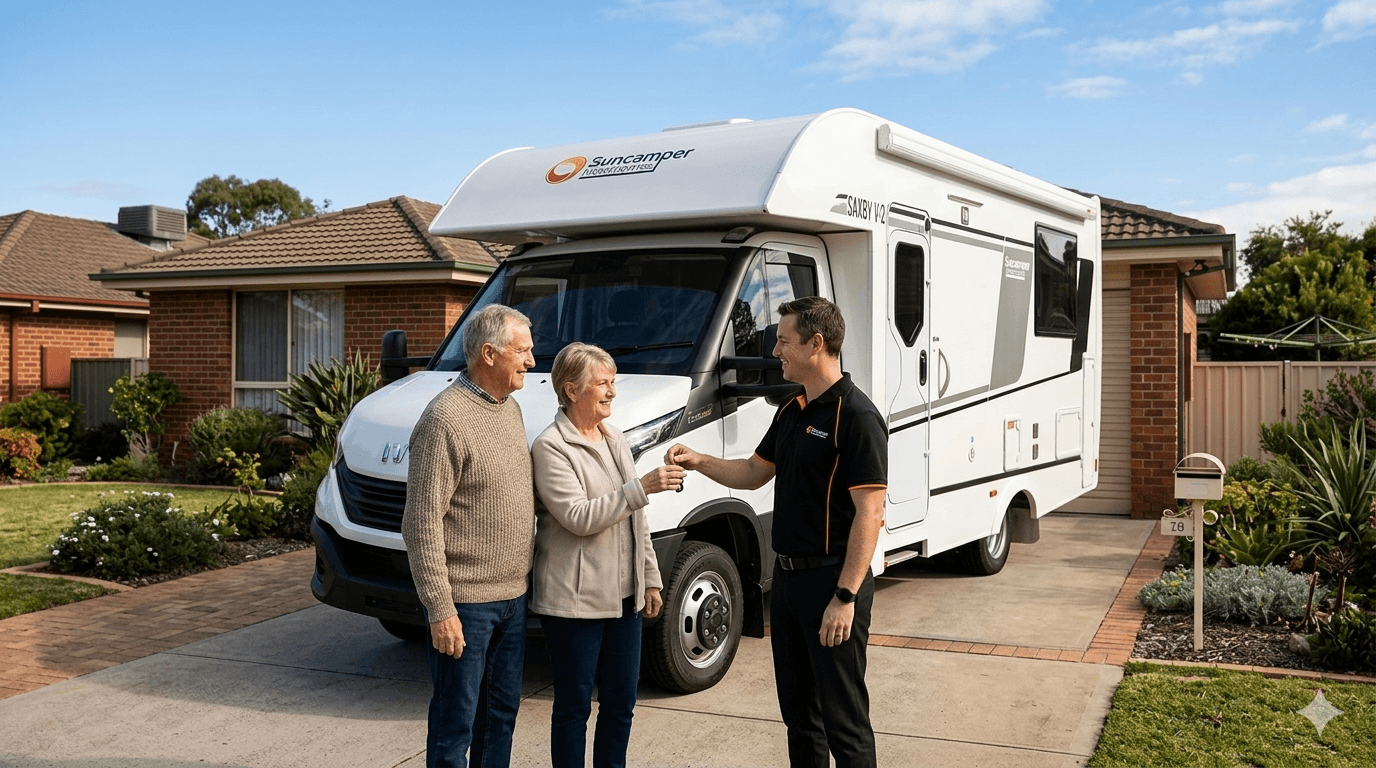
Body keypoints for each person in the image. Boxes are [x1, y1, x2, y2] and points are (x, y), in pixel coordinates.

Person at [665, 296, 887, 768]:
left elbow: (870, 514)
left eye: (784, 342)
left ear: (817, 343)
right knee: (800, 717)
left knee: (843, 720)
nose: (777, 352)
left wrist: (845, 598)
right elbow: (753, 471)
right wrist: (699, 461)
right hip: (787, 585)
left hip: (832, 584)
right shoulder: (792, 410)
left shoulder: (857, 417)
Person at [530, 342, 685, 768]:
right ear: (571, 389)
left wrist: (649, 577)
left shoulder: (613, 436)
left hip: (624, 601)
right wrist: (643, 487)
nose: (612, 391)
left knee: (621, 704)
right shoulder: (550, 447)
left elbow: (635, 522)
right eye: (602, 383)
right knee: (574, 707)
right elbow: (578, 517)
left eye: (613, 382)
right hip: (573, 604)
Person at [401, 304, 537, 768]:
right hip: (466, 605)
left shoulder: (511, 409)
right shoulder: (444, 420)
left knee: (500, 717)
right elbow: (420, 524)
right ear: (489, 354)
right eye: (523, 351)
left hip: (513, 599)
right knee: (454, 725)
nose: (532, 361)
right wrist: (440, 609)